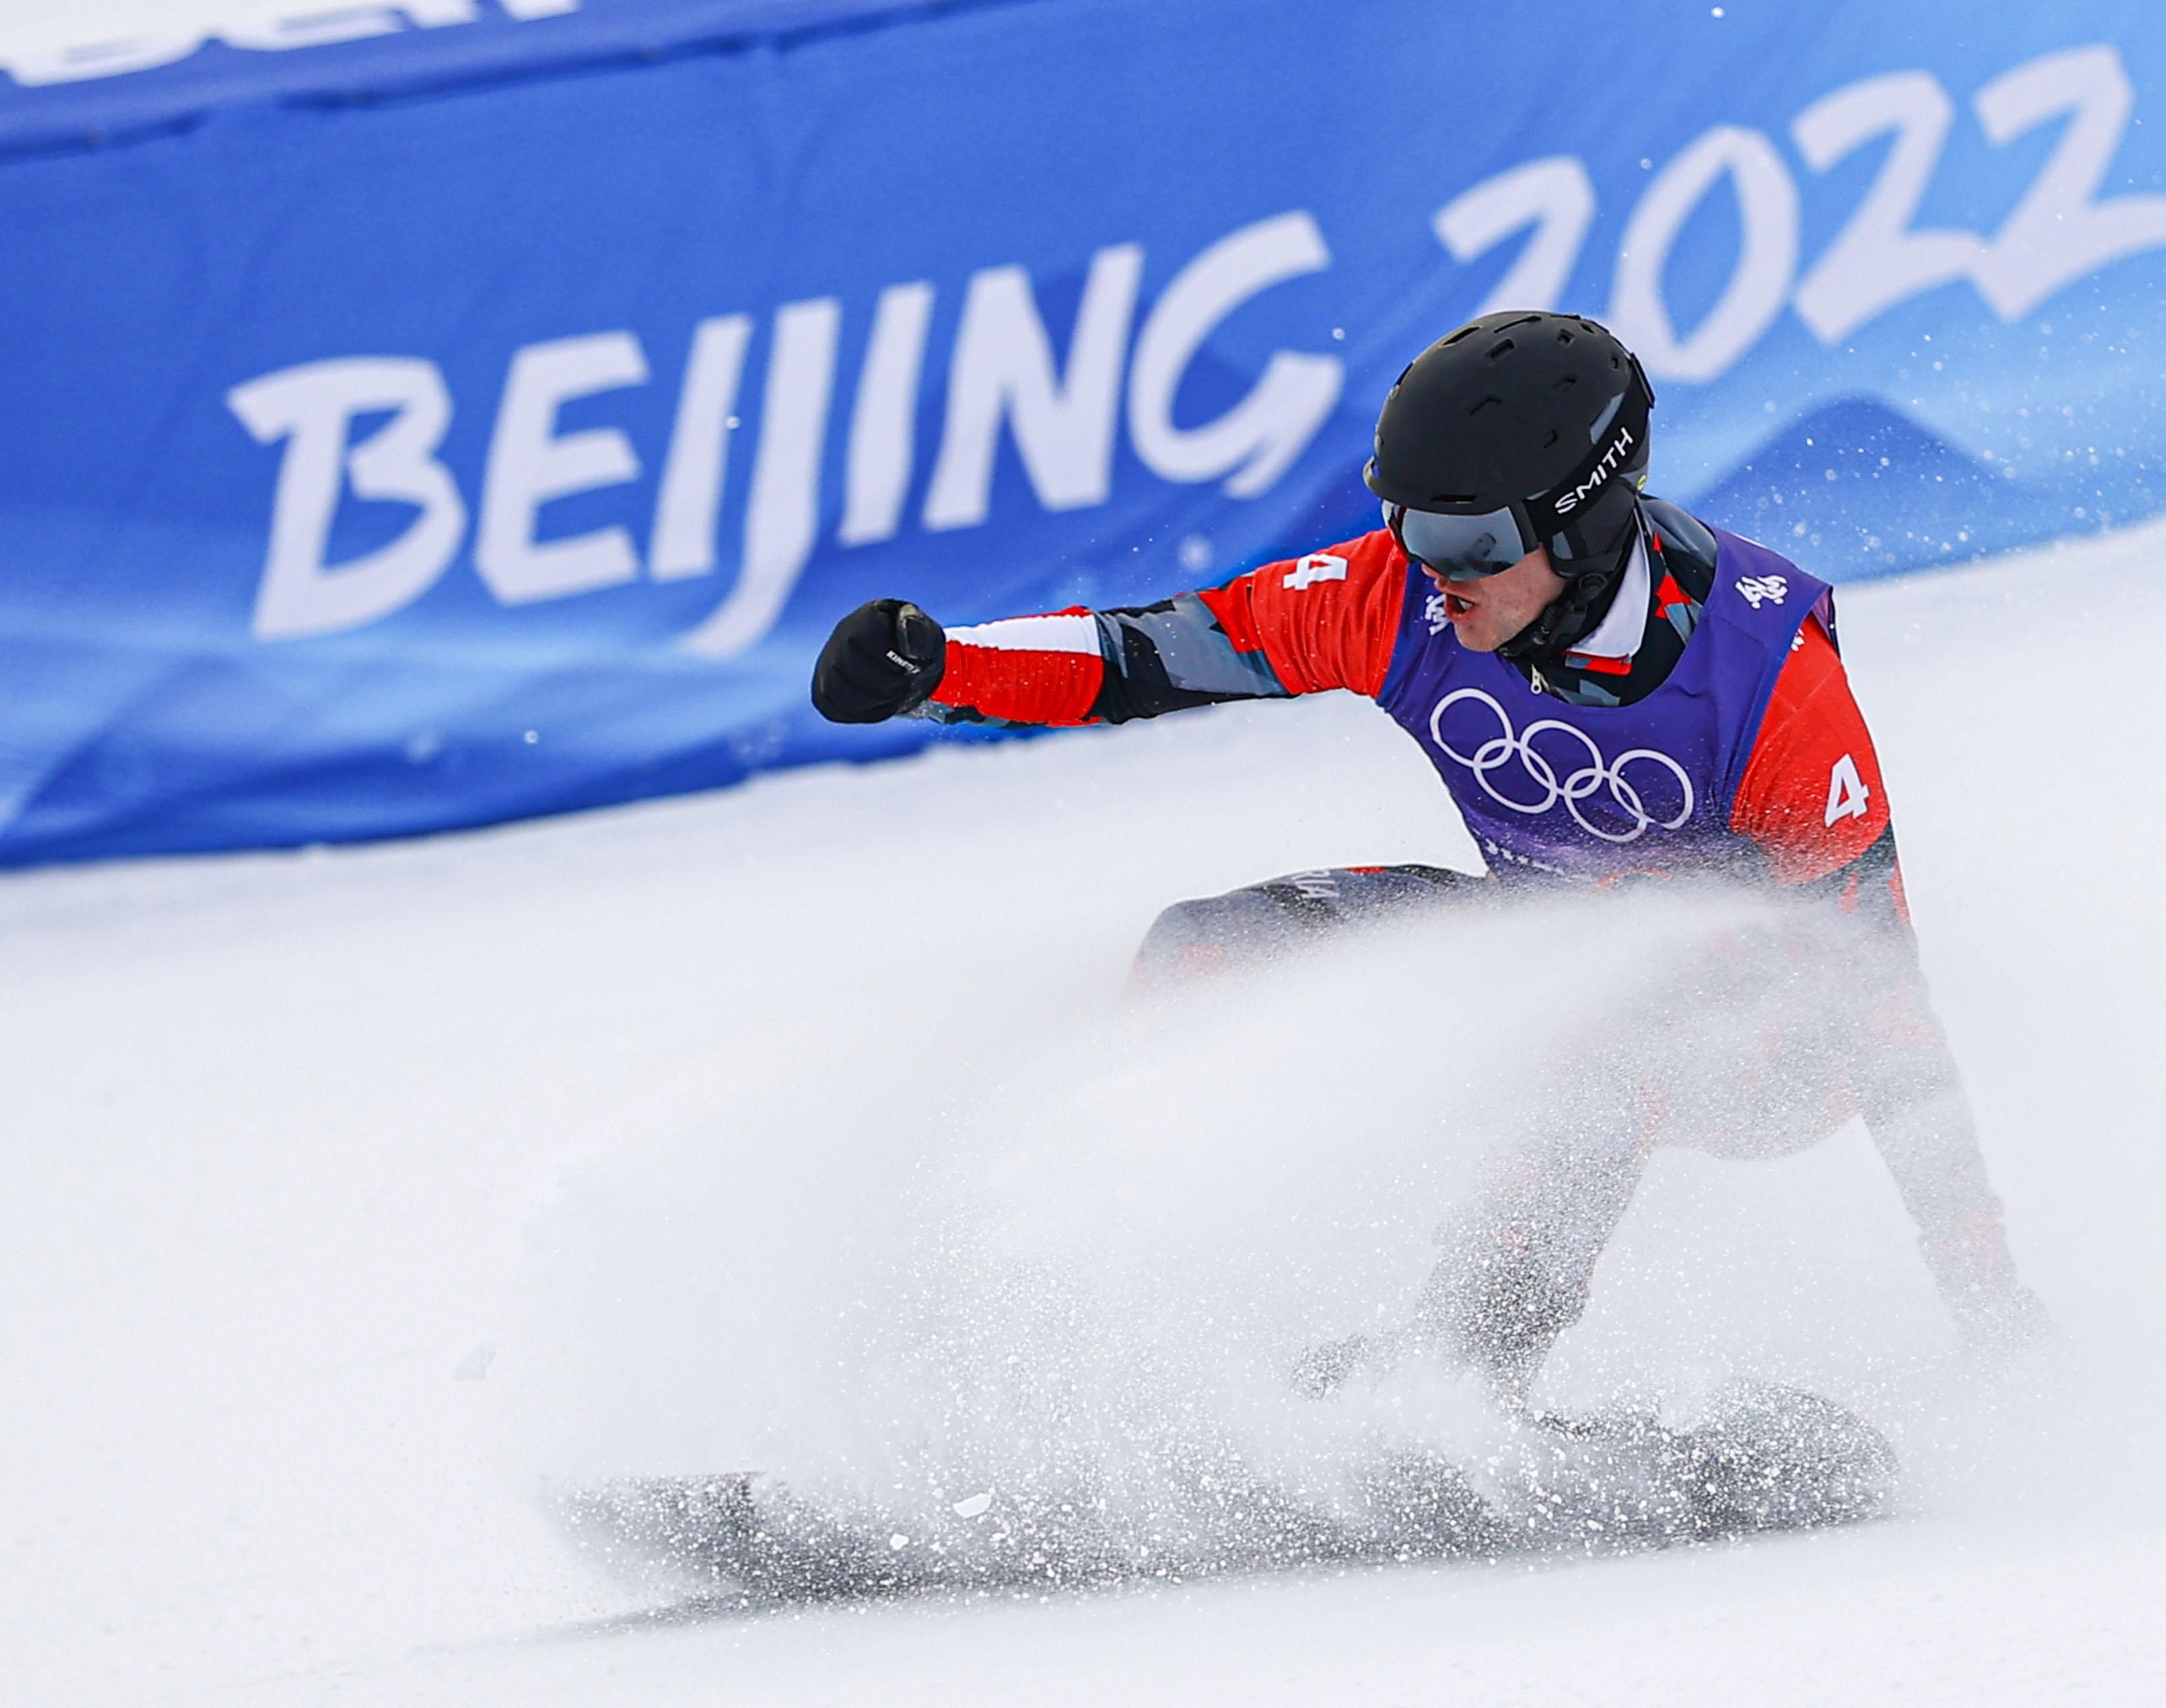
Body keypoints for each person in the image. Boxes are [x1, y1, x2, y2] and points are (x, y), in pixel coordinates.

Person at [810, 312, 2050, 1400]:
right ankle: (1047, 1355)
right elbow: (1152, 655)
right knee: (1210, 943)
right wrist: (941, 668)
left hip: (1773, 1048)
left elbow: (1886, 1015)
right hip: (1552, 954)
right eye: (1406, 527)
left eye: (1467, 542)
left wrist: (1988, 1305)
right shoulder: (1402, 593)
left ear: (1584, 530)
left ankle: (1457, 1377)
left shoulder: (1768, 677)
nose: (1427, 572)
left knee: (1614, 1001)